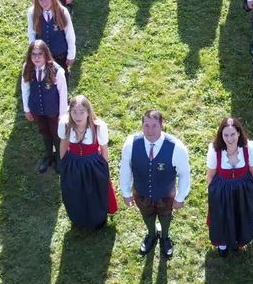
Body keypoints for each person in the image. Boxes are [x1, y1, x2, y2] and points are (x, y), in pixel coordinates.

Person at [119, 109, 192, 258]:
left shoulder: (176, 147)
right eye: (146, 125)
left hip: (165, 195)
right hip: (141, 193)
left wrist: (181, 196)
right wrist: (125, 192)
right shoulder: (131, 144)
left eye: (154, 126)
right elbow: (125, 170)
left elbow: (185, 174)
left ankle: (165, 237)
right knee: (146, 214)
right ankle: (151, 235)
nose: (150, 130)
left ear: (161, 125)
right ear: (141, 125)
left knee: (165, 215)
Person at [60, 95, 118, 230]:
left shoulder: (98, 127)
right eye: (74, 111)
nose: (77, 115)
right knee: (74, 192)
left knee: (95, 192)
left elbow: (104, 149)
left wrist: (104, 168)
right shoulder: (65, 124)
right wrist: (63, 162)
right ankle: (78, 219)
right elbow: (63, 143)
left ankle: (96, 220)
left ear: (88, 112)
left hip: (93, 164)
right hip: (72, 163)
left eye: (81, 112)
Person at [206, 117, 253, 257]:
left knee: (242, 214)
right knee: (221, 216)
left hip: (243, 189)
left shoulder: (249, 147)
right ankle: (223, 244)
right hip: (222, 189)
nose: (230, 138)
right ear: (221, 135)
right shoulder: (214, 150)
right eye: (226, 135)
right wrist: (214, 194)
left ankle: (239, 240)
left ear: (239, 133)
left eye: (232, 134)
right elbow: (210, 175)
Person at [20, 40, 69, 173]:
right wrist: (27, 109)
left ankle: (59, 158)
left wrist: (63, 115)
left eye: (39, 54)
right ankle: (49, 156)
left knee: (56, 134)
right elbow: (25, 89)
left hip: (53, 110)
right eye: (33, 54)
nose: (36, 58)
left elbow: (63, 94)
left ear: (46, 55)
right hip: (37, 109)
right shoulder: (27, 68)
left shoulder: (57, 71)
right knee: (44, 133)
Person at [26, 0, 76, 70]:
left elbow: (70, 34)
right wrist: (34, 53)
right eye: (40, 0)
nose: (44, 3)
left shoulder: (62, 11)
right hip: (42, 57)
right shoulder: (32, 12)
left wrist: (71, 54)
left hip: (60, 55)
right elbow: (31, 33)